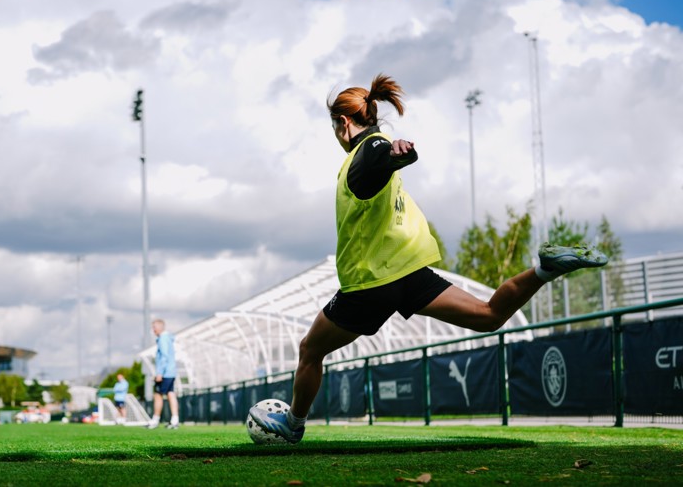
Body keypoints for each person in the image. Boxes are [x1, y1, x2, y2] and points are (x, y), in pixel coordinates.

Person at [249, 74, 608, 444]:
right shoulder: (379, 144)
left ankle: (293, 424)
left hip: (371, 284)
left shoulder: (364, 151)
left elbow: (373, 162)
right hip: (410, 273)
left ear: (342, 123)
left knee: (310, 350)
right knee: (489, 316)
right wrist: (396, 153)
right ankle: (544, 270)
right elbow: (383, 160)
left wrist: (390, 155)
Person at [147, 319, 180, 429]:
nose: (153, 330)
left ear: (160, 327)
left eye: (154, 327)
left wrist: (159, 373)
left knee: (158, 395)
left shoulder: (163, 339)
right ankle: (175, 420)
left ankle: (155, 420)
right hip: (171, 372)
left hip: (165, 373)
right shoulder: (168, 338)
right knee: (170, 394)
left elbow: (164, 356)